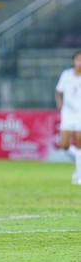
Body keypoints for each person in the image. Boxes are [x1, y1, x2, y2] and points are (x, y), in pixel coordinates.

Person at [55, 50, 81, 185]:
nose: (80, 62)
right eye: (78, 59)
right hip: (68, 113)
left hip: (80, 114)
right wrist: (59, 104)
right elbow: (59, 92)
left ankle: (78, 175)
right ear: (73, 61)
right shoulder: (66, 75)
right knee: (64, 145)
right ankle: (79, 164)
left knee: (80, 146)